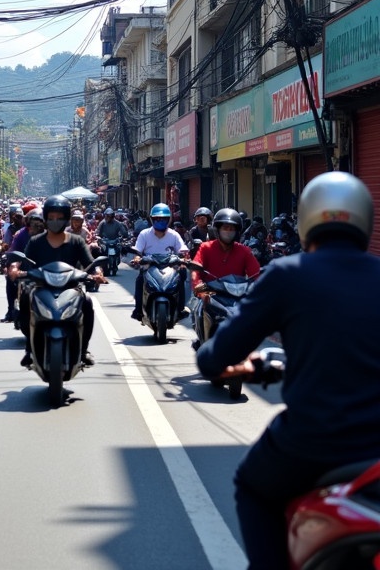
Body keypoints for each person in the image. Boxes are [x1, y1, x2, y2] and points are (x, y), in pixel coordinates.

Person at [196, 172, 380, 570]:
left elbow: (212, 358)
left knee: (252, 486)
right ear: (364, 221)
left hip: (311, 441)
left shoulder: (287, 275)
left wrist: (232, 362)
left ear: (307, 221)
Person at [8, 195, 103, 367]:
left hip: (71, 289)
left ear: (67, 219)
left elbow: (90, 263)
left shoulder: (77, 241)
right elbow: (22, 261)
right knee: (24, 298)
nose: (55, 221)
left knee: (88, 302)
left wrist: (97, 273)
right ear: (45, 219)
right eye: (51, 218)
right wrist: (14, 268)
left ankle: (84, 350)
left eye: (59, 218)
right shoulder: (36, 241)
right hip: (41, 287)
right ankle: (30, 349)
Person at [191, 208, 260, 343]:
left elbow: (256, 274)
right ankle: (202, 341)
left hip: (237, 296)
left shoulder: (244, 251)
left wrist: (260, 289)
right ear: (217, 229)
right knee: (198, 310)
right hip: (211, 294)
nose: (228, 232)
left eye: (231, 229)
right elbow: (195, 269)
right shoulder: (206, 248)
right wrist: (198, 287)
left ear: (237, 231)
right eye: (225, 228)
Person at [130, 202, 189, 321]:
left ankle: (181, 308)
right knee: (140, 279)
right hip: (149, 267)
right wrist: (137, 258)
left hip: (170, 268)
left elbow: (183, 251)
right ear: (152, 219)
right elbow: (138, 251)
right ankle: (138, 310)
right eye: (157, 219)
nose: (160, 221)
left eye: (163, 219)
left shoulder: (174, 235)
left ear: (169, 220)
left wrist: (184, 261)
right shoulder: (144, 234)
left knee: (182, 275)